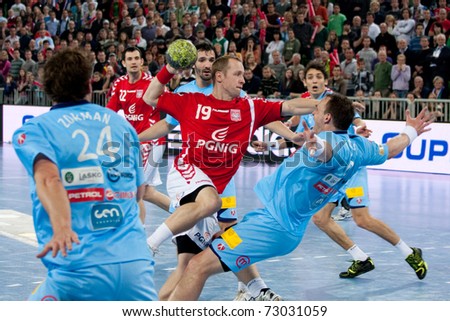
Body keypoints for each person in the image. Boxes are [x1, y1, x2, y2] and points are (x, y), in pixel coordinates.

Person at [165, 93, 432, 300]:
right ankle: (260, 291)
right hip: (274, 223)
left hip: (272, 227)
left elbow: (325, 153)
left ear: (327, 118)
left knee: (197, 267)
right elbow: (390, 149)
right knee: (221, 239)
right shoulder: (360, 146)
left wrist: (315, 146)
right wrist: (411, 132)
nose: (313, 108)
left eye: (318, 107)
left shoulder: (329, 145)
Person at [142, 53, 320, 300]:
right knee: (211, 203)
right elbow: (150, 97)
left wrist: (326, 105)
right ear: (219, 76)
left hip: (212, 189)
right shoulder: (191, 100)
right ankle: (148, 245)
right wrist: (169, 68)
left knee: (195, 261)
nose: (243, 79)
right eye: (237, 74)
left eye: (243, 74)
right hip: (187, 172)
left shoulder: (249, 107)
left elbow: (289, 106)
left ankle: (254, 288)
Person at [12, 48, 157, 301]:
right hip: (135, 263)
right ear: (89, 83)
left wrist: (62, 228)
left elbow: (48, 178)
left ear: (47, 88)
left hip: (77, 267)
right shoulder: (122, 125)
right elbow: (139, 194)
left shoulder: (36, 130)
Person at [107, 46, 170, 223]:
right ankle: (187, 214)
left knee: (135, 188)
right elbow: (110, 111)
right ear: (123, 63)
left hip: (152, 141)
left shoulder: (153, 83)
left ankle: (138, 233)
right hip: (133, 142)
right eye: (130, 59)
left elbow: (171, 104)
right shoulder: (119, 84)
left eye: (137, 58)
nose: (134, 62)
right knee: (147, 192)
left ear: (142, 62)